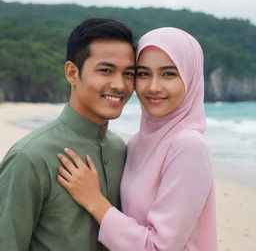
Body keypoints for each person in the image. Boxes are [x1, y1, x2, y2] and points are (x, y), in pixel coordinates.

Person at [57, 27, 218, 251]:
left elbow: (158, 247)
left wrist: (95, 201)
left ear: (190, 78)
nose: (153, 87)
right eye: (143, 74)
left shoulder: (188, 146)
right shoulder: (135, 144)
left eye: (168, 74)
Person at [0, 18, 136, 250]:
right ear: (72, 73)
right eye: (106, 70)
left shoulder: (122, 150)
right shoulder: (30, 157)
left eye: (129, 73)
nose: (120, 85)